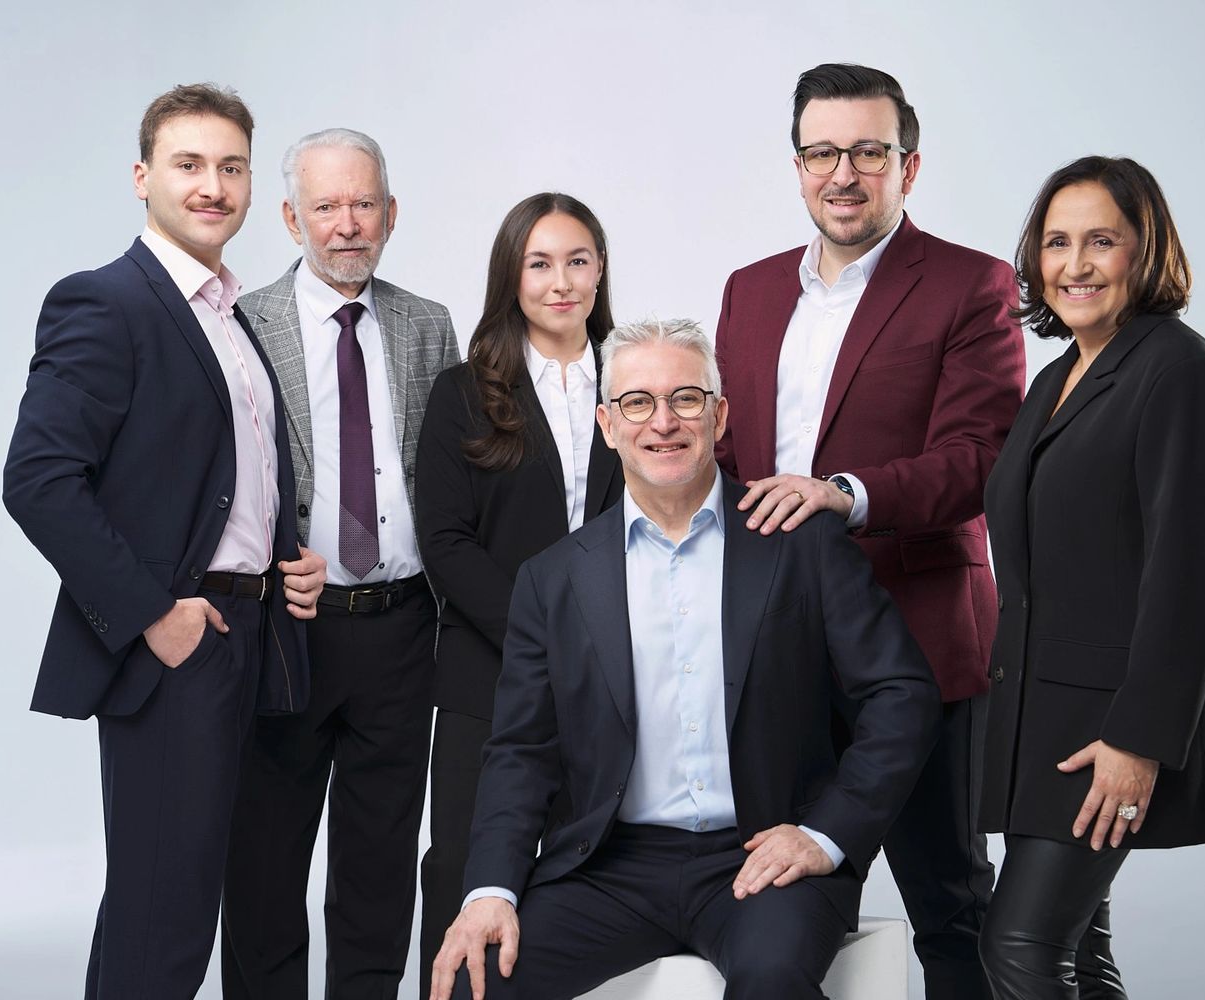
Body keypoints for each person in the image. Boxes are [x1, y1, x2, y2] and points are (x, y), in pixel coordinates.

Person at [429, 319, 941, 1000]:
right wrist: (489, 890)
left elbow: (903, 693)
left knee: (770, 980)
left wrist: (826, 833)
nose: (662, 422)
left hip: (764, 856)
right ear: (608, 425)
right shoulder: (554, 580)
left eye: (686, 399)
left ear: (719, 416)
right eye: (638, 402)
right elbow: (522, 751)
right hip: (611, 867)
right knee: (477, 982)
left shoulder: (799, 542)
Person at [1, 83, 326, 999]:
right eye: (189, 165)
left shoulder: (227, 316)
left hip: (259, 640)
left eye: (231, 167)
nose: (212, 185)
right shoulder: (106, 302)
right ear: (144, 176)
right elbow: (37, 480)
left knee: (243, 901)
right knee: (164, 912)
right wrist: (153, 614)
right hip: (180, 646)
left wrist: (281, 560)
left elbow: (225, 474)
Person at [713, 62, 1024, 999]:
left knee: (952, 905)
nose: (842, 173)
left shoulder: (972, 284)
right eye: (822, 152)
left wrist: (843, 492)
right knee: (780, 896)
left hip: (920, 642)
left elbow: (981, 456)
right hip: (781, 647)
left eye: (868, 152)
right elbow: (727, 457)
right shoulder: (750, 289)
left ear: (909, 166)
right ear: (797, 163)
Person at [977, 156, 1205, 999]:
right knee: (1076, 959)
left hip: (1109, 730)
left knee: (1018, 948)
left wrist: (1140, 739)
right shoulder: (1059, 377)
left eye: (1102, 240)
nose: (1076, 264)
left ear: (1146, 249)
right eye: (1057, 242)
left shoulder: (1180, 372)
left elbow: (1189, 574)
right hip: (1040, 723)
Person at [219, 128, 459, 999]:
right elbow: (220, 479)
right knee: (264, 861)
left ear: (391, 214)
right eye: (326, 207)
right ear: (291, 218)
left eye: (364, 205)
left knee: (380, 865)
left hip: (400, 630)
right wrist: (274, 564)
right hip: (290, 630)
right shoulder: (245, 325)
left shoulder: (429, 326)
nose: (347, 225)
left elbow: (453, 476)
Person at [414, 191, 623, 991]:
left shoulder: (634, 383)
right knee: (469, 873)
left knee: (589, 879)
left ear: (601, 271)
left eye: (577, 260)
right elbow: (445, 542)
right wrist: (543, 636)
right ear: (512, 276)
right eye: (539, 263)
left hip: (613, 679)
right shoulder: (462, 393)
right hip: (489, 678)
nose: (560, 281)